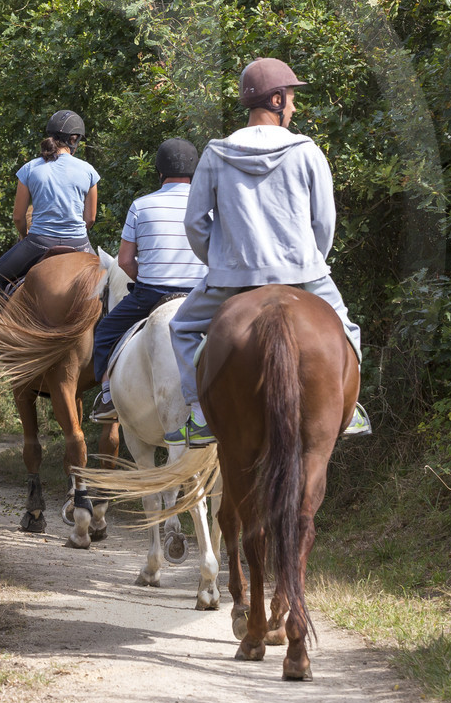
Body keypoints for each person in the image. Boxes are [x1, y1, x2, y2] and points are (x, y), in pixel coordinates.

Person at [164, 58, 369, 447]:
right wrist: (309, 259)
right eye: (291, 97)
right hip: (303, 274)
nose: (293, 106)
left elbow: (194, 223)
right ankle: (352, 408)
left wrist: (222, 261)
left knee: (183, 328)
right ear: (276, 99)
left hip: (231, 279)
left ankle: (200, 415)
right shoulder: (307, 151)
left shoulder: (216, 152)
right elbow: (324, 222)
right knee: (346, 330)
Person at [88, 138, 209, 423]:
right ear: (195, 171)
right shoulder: (208, 206)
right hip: (201, 298)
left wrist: (147, 279)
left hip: (152, 295)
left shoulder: (141, 206)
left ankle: (107, 397)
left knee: (104, 332)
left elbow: (126, 261)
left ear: (160, 172)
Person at [0, 110, 101, 301]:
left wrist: (24, 235)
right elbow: (90, 218)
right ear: (74, 139)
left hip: (39, 242)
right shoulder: (88, 171)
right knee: (107, 284)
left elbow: (18, 217)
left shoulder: (30, 169)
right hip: (79, 242)